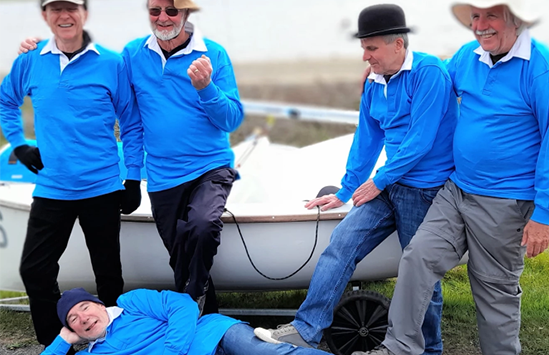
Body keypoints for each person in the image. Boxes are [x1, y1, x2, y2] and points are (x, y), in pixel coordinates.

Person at [351, 1, 549, 355]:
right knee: (417, 259)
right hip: (457, 190)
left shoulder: (546, 70)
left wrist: (543, 215)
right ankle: (399, 348)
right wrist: (385, 71)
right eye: (475, 17)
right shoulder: (469, 55)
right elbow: (434, 75)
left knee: (493, 293)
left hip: (506, 202)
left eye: (491, 16)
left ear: (515, 19)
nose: (480, 25)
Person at [254, 5, 457, 355]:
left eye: (372, 48)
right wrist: (347, 189)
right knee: (341, 244)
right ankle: (306, 329)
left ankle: (429, 349)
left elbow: (420, 142)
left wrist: (378, 181)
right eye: (363, 48)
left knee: (420, 276)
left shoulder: (430, 74)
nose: (365, 56)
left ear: (398, 44)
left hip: (425, 190)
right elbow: (367, 139)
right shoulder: (375, 81)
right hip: (390, 185)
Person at [18, 0, 243, 315]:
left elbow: (231, 120)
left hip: (210, 166)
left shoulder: (213, 54)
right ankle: (203, 318)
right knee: (179, 255)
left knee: (203, 225)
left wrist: (206, 88)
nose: (163, 18)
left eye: (171, 11)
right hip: (163, 175)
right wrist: (38, 47)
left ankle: (195, 306)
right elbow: (125, 112)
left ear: (187, 13)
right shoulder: (133, 54)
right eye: (155, 11)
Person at [0, 0, 144, 349]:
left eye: (71, 8)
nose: (64, 16)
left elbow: (132, 121)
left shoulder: (112, 62)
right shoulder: (30, 60)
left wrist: (134, 178)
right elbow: (7, 101)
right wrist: (19, 144)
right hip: (52, 188)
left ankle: (112, 341)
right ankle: (56, 342)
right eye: (55, 9)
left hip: (102, 187)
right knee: (35, 270)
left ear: (85, 13)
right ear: (45, 15)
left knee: (108, 273)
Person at [41, 287, 330, 355]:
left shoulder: (130, 302)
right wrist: (62, 340)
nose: (83, 318)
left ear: (99, 304)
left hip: (213, 335)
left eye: (84, 307)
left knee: (269, 352)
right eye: (73, 320)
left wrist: (171, 351)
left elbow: (182, 305)